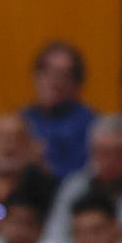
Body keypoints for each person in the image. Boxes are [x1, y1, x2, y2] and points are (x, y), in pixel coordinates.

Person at [45, 118, 122, 243]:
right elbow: (55, 238)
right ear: (91, 154)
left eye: (119, 153)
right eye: (103, 152)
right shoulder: (75, 186)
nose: (111, 161)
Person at [23, 41, 96, 180]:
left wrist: (46, 166)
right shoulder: (21, 121)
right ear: (35, 76)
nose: (55, 81)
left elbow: (89, 175)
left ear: (77, 84)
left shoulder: (91, 125)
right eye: (48, 72)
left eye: (64, 75)